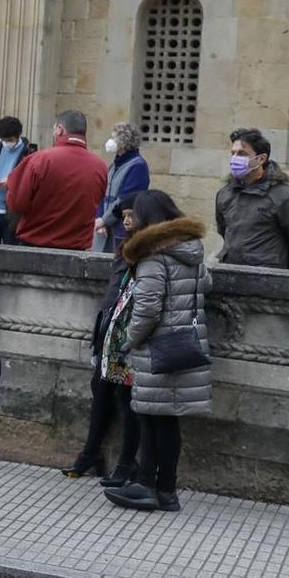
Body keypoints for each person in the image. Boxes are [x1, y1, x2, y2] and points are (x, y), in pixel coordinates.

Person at [106, 190, 212, 513]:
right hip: (184, 345)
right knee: (166, 421)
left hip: (157, 348)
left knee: (152, 419)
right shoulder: (191, 248)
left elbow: (147, 309)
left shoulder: (153, 255)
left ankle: (147, 486)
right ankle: (165, 491)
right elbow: (205, 284)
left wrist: (128, 341)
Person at [62, 196, 142, 481]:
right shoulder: (126, 246)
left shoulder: (148, 249)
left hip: (129, 335)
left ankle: (126, 462)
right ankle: (92, 452)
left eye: (132, 215)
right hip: (111, 326)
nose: (127, 221)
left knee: (126, 394)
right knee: (101, 385)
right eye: (124, 216)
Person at [6, 110, 108, 249]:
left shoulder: (39, 160)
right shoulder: (100, 166)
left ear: (60, 130)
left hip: (36, 245)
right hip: (77, 250)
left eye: (54, 129)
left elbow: (17, 203)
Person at [215, 128, 289, 269]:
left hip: (267, 277)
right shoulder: (225, 193)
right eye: (233, 153)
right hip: (229, 271)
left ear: (261, 159)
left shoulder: (285, 195)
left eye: (242, 153)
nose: (235, 159)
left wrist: (278, 264)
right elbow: (223, 229)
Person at [94, 122, 150, 251]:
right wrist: (100, 219)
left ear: (124, 141)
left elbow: (125, 199)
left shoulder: (138, 165)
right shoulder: (114, 165)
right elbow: (103, 194)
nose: (110, 141)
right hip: (105, 229)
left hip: (121, 229)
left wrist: (104, 221)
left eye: (114, 138)